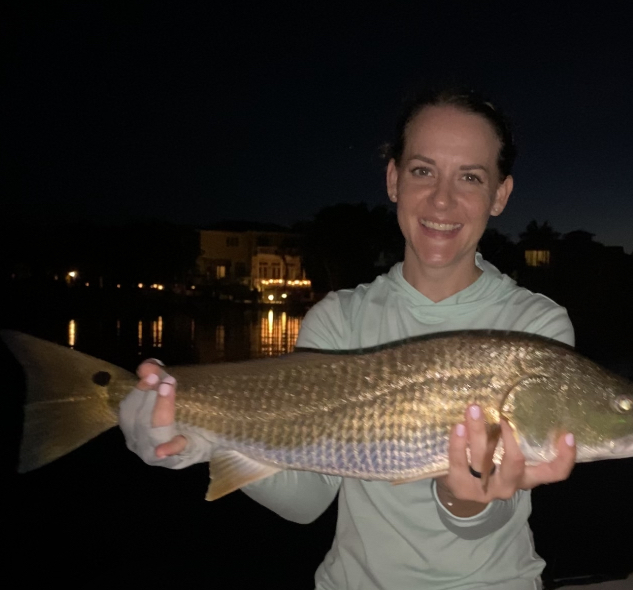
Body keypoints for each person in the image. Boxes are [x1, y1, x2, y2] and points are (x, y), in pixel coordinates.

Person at [120, 88, 577, 589]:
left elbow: (495, 513)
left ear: (500, 195)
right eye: (423, 171)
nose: (442, 199)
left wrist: (465, 501)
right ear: (393, 180)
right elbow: (306, 501)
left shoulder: (535, 331)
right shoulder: (339, 318)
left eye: (470, 177)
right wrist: (201, 440)